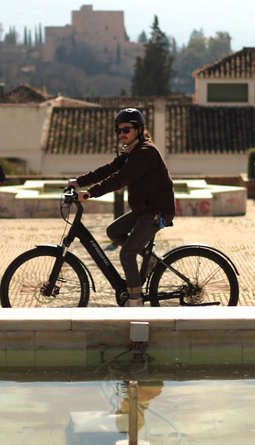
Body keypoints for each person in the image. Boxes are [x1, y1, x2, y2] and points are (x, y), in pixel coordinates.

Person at [69, 108, 175, 307]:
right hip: (145, 209)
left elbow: (121, 178)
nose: (122, 134)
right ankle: (149, 260)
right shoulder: (131, 151)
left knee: (126, 253)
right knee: (114, 231)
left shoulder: (145, 152)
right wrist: (79, 181)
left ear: (139, 129)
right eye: (118, 130)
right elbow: (110, 169)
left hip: (157, 211)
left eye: (126, 129)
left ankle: (135, 299)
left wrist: (91, 193)